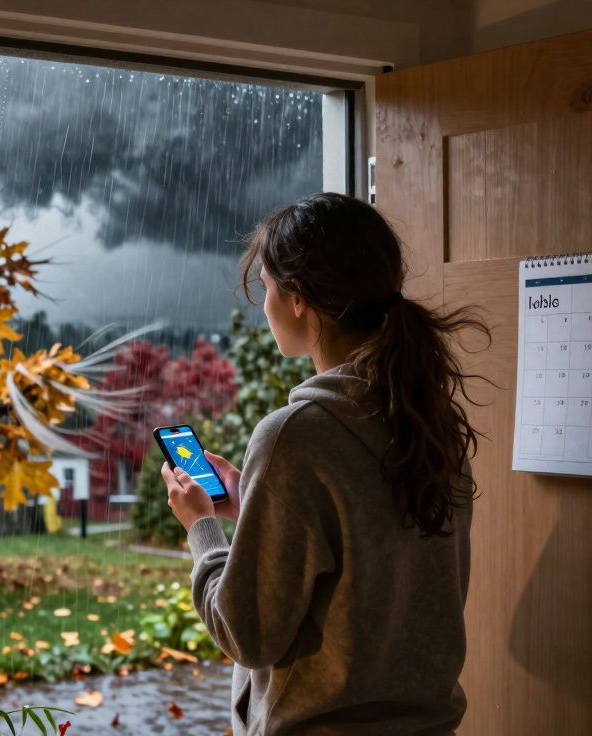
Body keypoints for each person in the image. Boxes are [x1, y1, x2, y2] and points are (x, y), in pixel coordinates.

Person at [163, 192, 488, 735]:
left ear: (298, 298)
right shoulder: (430, 421)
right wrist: (256, 503)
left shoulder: (296, 435)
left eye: (267, 288)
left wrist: (202, 528)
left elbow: (247, 633)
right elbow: (372, 555)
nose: (264, 305)